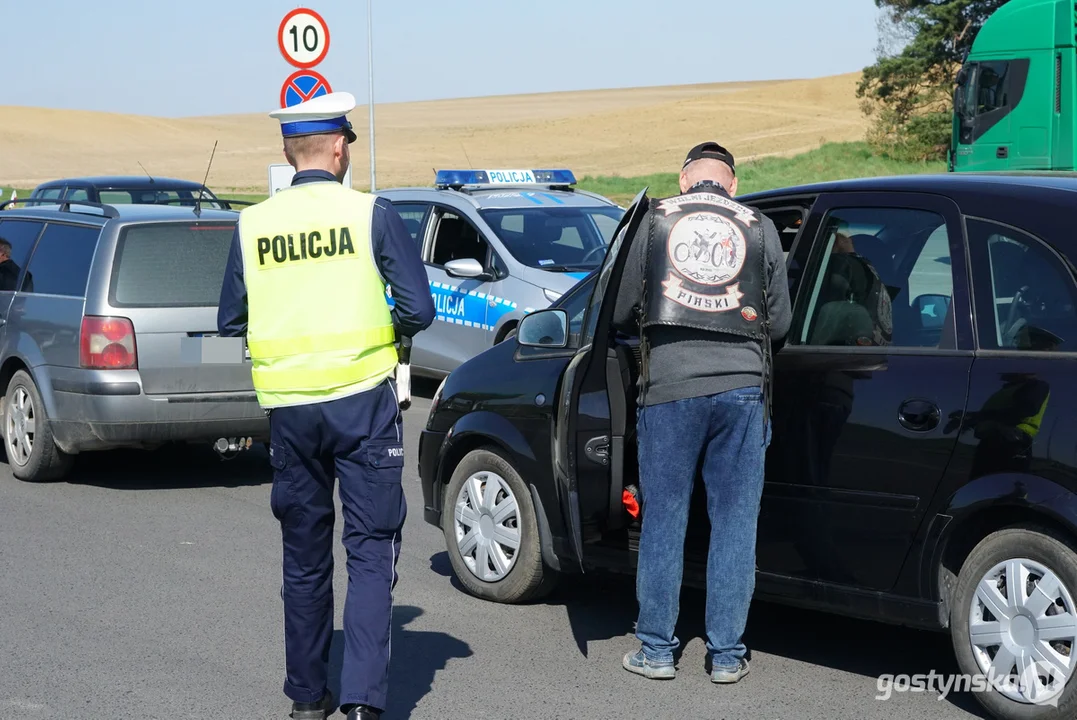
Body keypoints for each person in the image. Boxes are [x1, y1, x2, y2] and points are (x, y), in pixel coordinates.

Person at [217, 91, 435, 720]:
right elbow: (418, 308)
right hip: (363, 406)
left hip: (289, 411)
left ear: (288, 152)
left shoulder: (253, 224)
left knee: (305, 559)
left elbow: (231, 318)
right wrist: (390, 335)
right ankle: (364, 703)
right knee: (369, 552)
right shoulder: (372, 213)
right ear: (339, 147)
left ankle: (308, 699)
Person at [612, 142, 792, 684]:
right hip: (742, 391)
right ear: (732, 185)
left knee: (665, 522)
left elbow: (620, 308)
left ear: (684, 180)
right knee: (735, 527)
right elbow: (779, 324)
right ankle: (728, 656)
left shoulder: (655, 220)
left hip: (668, 389)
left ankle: (657, 651)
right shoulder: (761, 227)